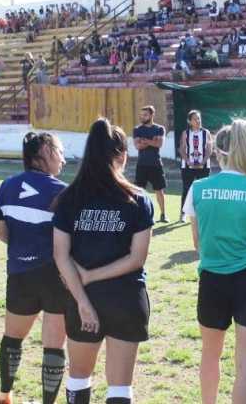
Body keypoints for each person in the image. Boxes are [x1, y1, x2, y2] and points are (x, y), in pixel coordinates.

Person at [52, 119, 154, 404]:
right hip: (125, 298)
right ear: (122, 155)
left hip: (81, 296)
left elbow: (61, 256)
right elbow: (137, 259)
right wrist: (92, 278)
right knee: (120, 388)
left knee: (79, 377)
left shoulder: (68, 198)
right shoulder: (138, 199)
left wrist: (84, 299)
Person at [183, 119, 246, 404]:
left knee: (210, 356)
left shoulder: (198, 188)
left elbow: (198, 243)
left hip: (212, 279)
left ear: (217, 153)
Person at [0, 132, 69, 404]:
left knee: (12, 338)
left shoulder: (6, 186)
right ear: (45, 151)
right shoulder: (63, 192)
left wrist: (25, 247)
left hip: (20, 274)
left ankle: (4, 394)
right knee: (53, 345)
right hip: (56, 277)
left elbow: (0, 232)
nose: (63, 157)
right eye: (59, 151)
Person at [133, 106, 168, 223]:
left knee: (159, 190)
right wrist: (152, 141)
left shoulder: (159, 128)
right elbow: (137, 146)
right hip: (142, 165)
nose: (142, 117)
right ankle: (137, 215)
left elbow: (159, 144)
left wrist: (145, 141)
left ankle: (163, 215)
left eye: (145, 115)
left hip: (156, 164)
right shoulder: (137, 129)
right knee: (138, 191)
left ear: (152, 115)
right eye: (141, 115)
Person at [179, 110, 212, 223]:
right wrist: (188, 161)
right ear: (189, 121)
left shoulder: (206, 132)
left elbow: (209, 149)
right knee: (186, 189)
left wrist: (203, 161)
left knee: (203, 190)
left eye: (199, 118)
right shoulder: (185, 133)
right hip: (188, 166)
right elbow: (182, 149)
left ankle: (203, 213)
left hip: (203, 166)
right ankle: (183, 214)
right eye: (195, 119)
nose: (198, 121)